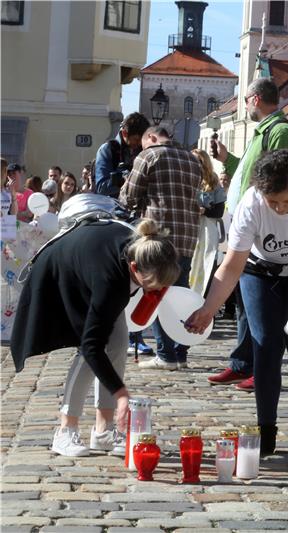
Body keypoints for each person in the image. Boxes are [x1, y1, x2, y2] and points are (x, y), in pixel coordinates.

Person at [184, 150, 288, 457]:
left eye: (287, 201)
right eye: (274, 202)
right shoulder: (251, 204)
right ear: (261, 192)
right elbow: (230, 267)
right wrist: (208, 310)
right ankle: (266, 429)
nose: (281, 208)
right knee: (265, 344)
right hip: (259, 272)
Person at [11, 218, 180, 456]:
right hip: (59, 274)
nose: (154, 291)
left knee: (119, 342)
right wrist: (121, 394)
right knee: (89, 350)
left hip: (90, 259)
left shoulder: (149, 247)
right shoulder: (110, 280)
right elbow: (92, 347)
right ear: (134, 268)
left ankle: (104, 431)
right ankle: (65, 430)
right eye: (151, 284)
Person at [206, 77, 288, 390]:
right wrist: (228, 161)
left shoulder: (281, 131)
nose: (244, 105)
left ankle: (262, 367)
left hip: (263, 228)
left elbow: (282, 178)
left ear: (256, 99)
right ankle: (242, 363)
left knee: (260, 301)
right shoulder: (263, 132)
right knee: (245, 298)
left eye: (245, 99)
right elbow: (256, 173)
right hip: (246, 222)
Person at [119, 126, 203, 370]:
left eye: (145, 143)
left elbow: (129, 198)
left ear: (152, 138)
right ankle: (181, 352)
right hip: (187, 236)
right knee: (181, 294)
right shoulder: (192, 159)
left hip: (158, 236)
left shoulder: (149, 155)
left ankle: (166, 355)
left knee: (156, 293)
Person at [189, 149, 226, 296]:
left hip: (206, 228)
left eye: (198, 161)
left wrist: (204, 211)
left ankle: (201, 297)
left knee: (206, 262)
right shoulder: (186, 177)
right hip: (189, 227)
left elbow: (219, 211)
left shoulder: (213, 180)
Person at [94, 112, 150, 197]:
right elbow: (101, 188)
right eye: (136, 139)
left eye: (141, 140)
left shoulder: (142, 150)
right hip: (113, 207)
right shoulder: (107, 150)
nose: (139, 144)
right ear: (124, 133)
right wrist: (125, 178)